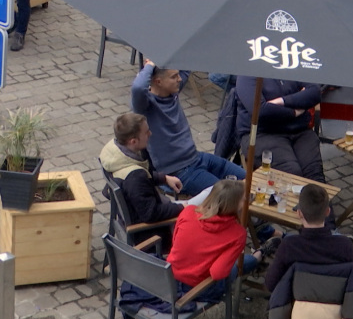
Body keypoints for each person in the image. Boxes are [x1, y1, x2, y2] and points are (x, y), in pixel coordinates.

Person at [131, 60, 246, 196]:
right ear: (158, 81)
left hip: (197, 158)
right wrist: (149, 65)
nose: (179, 79)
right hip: (179, 172)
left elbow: (187, 65)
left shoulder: (172, 93)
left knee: (249, 178)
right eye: (174, 77)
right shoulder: (146, 106)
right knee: (227, 196)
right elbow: (138, 88)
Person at [167, 180, 265, 302]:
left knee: (234, 263)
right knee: (236, 266)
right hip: (198, 289)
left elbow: (176, 241)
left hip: (168, 279)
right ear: (235, 204)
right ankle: (258, 256)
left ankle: (258, 255)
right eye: (243, 199)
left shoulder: (188, 211)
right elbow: (217, 273)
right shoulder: (237, 234)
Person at [100, 113, 184, 246]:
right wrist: (182, 207)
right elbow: (151, 214)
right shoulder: (135, 177)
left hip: (135, 210)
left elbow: (140, 177)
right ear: (133, 141)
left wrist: (164, 178)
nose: (150, 133)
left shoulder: (117, 153)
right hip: (151, 235)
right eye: (146, 132)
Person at [264, 184, 353, 292]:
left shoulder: (289, 246)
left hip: (299, 303)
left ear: (299, 213)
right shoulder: (344, 245)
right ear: (327, 212)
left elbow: (270, 284)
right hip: (335, 303)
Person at [235, 76, 324, 181]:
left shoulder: (292, 66)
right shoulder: (248, 76)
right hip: (263, 134)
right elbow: (261, 111)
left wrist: (281, 101)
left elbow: (315, 93)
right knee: (290, 174)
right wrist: (294, 112)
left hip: (300, 131)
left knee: (314, 175)